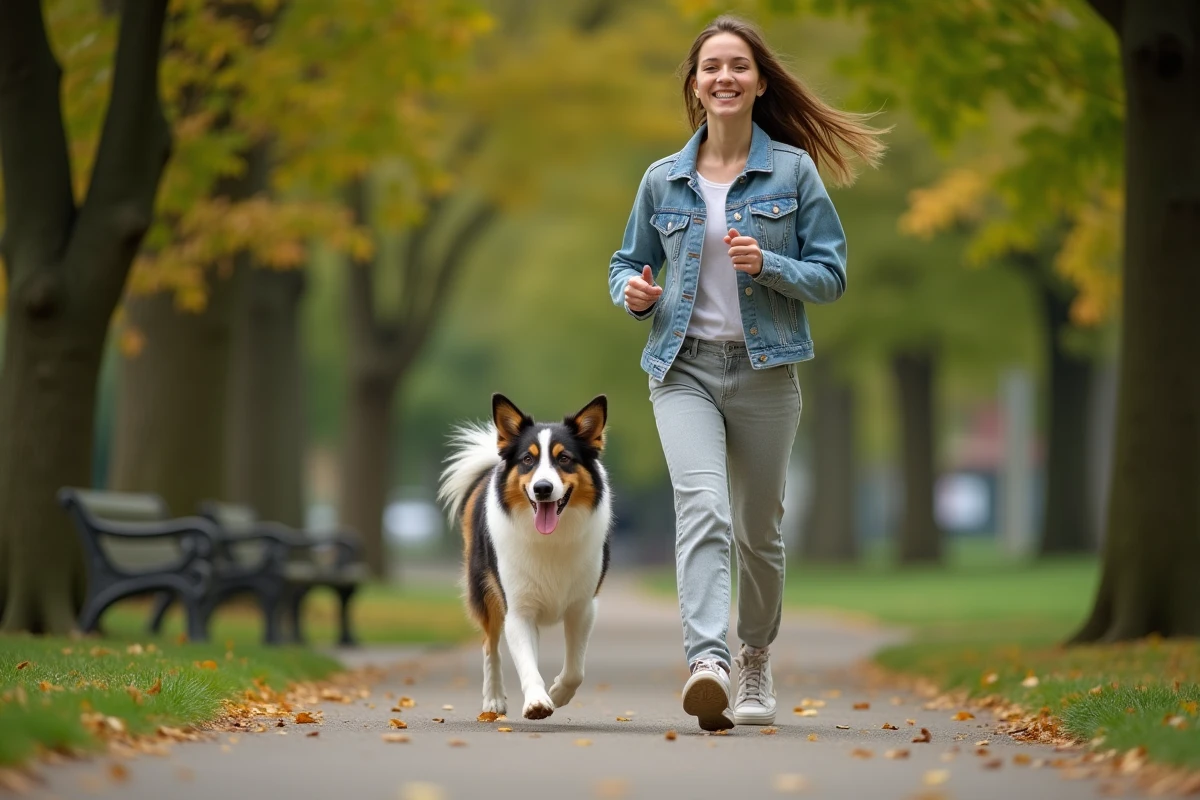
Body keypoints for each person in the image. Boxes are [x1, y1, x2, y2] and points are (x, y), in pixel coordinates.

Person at [608, 15, 888, 731]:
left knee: (759, 531)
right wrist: (634, 293)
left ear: (760, 82)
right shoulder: (660, 179)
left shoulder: (792, 171)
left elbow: (831, 276)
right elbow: (626, 264)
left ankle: (755, 654)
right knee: (703, 510)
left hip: (767, 373)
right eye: (710, 67)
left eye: (738, 65)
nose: (724, 77)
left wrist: (771, 265)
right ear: (695, 86)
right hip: (682, 369)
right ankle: (709, 661)